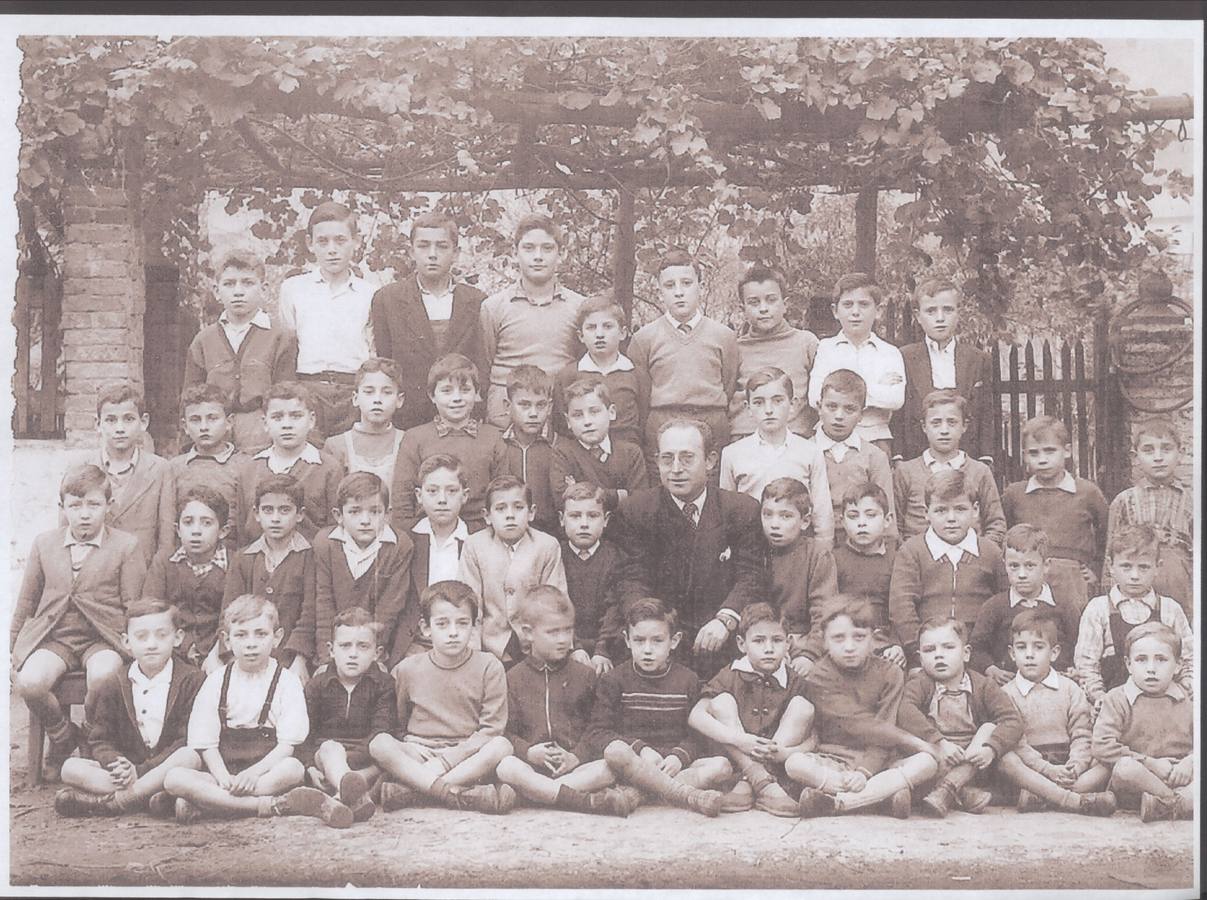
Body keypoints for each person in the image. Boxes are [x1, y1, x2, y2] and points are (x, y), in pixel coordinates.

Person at [13, 464, 145, 782]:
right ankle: (63, 736)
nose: (84, 514)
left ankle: (91, 737)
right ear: (63, 508)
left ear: (108, 506)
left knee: (103, 675)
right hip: (55, 637)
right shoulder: (44, 544)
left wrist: (133, 642)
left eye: (93, 504)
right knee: (29, 681)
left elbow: (133, 605)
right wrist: (12, 647)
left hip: (103, 638)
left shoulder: (126, 546)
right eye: (75, 505)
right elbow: (27, 602)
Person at [163, 595, 335, 825]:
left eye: (261, 634)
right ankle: (266, 805)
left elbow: (286, 746)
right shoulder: (215, 681)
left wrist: (253, 774)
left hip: (266, 771)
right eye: (241, 635)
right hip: (222, 772)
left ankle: (211, 803)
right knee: (174, 778)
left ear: (277, 637)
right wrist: (223, 778)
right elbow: (205, 742)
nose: (251, 643)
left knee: (293, 769)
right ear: (226, 639)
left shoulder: (287, 681)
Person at [612, 418, 765, 677]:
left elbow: (751, 576)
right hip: (660, 644)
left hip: (723, 638)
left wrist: (725, 620)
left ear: (710, 460)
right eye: (667, 458)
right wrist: (652, 628)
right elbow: (630, 579)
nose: (675, 469)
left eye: (687, 458)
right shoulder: (637, 511)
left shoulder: (741, 510)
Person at [368, 581, 516, 815]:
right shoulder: (407, 669)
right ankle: (453, 793)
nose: (453, 632)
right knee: (379, 744)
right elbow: (397, 722)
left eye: (462, 623)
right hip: (419, 752)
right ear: (426, 628)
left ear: (475, 626)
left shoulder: (489, 666)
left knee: (501, 746)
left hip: (466, 754)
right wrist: (413, 754)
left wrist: (447, 761)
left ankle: (412, 791)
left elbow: (491, 730)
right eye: (442, 624)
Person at [494, 586, 640, 817]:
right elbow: (505, 731)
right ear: (528, 632)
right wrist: (529, 752)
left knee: (608, 769)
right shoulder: (513, 678)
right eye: (553, 632)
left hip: (575, 768)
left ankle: (538, 796)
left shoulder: (585, 675)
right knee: (506, 767)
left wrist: (576, 756)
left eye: (568, 630)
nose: (563, 640)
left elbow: (597, 728)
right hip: (533, 766)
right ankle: (582, 801)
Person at [787, 599, 939, 819]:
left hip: (881, 760)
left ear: (873, 638)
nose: (849, 646)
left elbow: (886, 723)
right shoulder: (819, 675)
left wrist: (864, 771)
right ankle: (881, 796)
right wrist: (914, 741)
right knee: (795, 764)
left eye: (859, 637)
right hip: (833, 759)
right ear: (824, 641)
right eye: (838, 638)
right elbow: (858, 723)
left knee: (926, 763)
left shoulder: (890, 672)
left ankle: (839, 803)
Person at [582, 598, 733, 817]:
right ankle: (688, 796)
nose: (647, 650)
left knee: (721, 765)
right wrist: (640, 748)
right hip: (633, 762)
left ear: (674, 641)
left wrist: (678, 757)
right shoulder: (614, 680)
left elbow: (698, 736)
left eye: (657, 641)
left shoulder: (688, 680)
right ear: (627, 640)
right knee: (615, 752)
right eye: (639, 641)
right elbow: (597, 733)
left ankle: (637, 795)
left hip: (672, 764)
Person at [54, 599, 205, 817]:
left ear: (178, 638)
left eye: (161, 635)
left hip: (169, 766)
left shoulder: (193, 679)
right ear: (126, 641)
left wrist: (142, 771)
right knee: (70, 768)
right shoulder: (115, 682)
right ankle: (155, 796)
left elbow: (188, 738)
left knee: (189, 756)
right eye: (141, 637)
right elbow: (100, 739)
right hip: (130, 771)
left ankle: (118, 802)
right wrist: (117, 764)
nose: (151, 644)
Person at [688, 602, 812, 816]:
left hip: (777, 764)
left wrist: (788, 753)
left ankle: (756, 782)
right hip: (736, 761)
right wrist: (738, 739)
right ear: (741, 644)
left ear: (788, 643)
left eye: (777, 640)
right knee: (722, 700)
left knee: (803, 706)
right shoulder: (730, 675)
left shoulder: (796, 682)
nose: (769, 649)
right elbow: (696, 716)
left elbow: (815, 736)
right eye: (758, 641)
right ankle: (755, 776)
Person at [369, 211, 487, 430]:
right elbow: (386, 363)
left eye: (442, 246)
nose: (432, 254)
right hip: (409, 417)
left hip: (461, 416)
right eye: (423, 246)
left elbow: (482, 362)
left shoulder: (476, 301)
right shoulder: (388, 299)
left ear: (456, 253)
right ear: (412, 251)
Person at [896, 617, 1024, 818]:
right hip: (938, 755)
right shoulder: (919, 683)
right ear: (920, 658)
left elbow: (1012, 720)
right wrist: (939, 742)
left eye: (948, 648)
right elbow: (905, 712)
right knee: (921, 762)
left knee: (989, 728)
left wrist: (991, 748)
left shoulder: (983, 685)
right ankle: (959, 793)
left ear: (966, 654)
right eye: (930, 650)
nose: (939, 655)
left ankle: (947, 790)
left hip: (971, 760)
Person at [995, 609, 1116, 816]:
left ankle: (1044, 798)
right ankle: (1072, 799)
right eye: (1022, 648)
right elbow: (1017, 742)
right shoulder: (1006, 694)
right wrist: (1046, 769)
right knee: (1006, 760)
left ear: (1054, 653)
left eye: (1038, 647)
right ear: (1012, 654)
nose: (1030, 654)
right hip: (1031, 767)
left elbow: (1082, 733)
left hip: (1068, 764)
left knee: (1105, 763)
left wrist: (1076, 765)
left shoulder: (1070, 689)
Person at [629, 250, 739, 463]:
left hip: (711, 421)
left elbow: (729, 382)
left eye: (687, 283)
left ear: (701, 286)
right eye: (670, 286)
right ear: (659, 290)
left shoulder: (724, 336)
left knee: (711, 485)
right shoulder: (644, 338)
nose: (679, 292)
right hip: (663, 422)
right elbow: (642, 394)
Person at [182, 248, 297, 453]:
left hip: (261, 434)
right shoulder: (203, 341)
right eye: (229, 284)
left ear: (263, 288)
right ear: (217, 291)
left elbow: (285, 394)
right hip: (214, 434)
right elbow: (190, 397)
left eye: (247, 283)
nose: (238, 291)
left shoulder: (280, 337)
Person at [889, 469, 1008, 666]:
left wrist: (988, 658)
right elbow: (901, 607)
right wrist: (918, 652)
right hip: (926, 654)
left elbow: (1004, 604)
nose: (951, 518)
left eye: (960, 509)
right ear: (926, 513)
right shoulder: (912, 551)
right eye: (941, 510)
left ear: (976, 510)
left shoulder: (990, 552)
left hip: (979, 655)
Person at [277, 200, 374, 440]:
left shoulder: (370, 293)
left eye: (340, 240)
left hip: (354, 390)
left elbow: (374, 349)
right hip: (308, 390)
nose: (332, 249)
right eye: (323, 241)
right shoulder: (293, 289)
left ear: (356, 242)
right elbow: (286, 348)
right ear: (310, 244)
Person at [480, 214, 586, 428]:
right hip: (505, 416)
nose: (538, 256)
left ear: (561, 253)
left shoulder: (579, 307)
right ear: (514, 253)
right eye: (528, 248)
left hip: (558, 413)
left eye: (547, 248)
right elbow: (486, 360)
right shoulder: (494, 307)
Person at [1073, 524, 1194, 709]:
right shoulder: (1098, 609)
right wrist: (1099, 696)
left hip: (1164, 705)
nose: (1135, 576)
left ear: (1157, 568)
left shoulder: (1170, 609)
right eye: (1126, 566)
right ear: (1111, 567)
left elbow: (1188, 658)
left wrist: (1187, 685)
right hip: (1113, 706)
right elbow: (1086, 663)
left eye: (1144, 567)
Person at [390, 353, 506, 534]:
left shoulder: (492, 438)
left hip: (480, 534)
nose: (457, 398)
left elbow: (502, 496)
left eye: (465, 389)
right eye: (447, 390)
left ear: (477, 393)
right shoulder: (415, 438)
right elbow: (402, 502)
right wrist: (412, 539)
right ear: (432, 395)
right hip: (427, 533)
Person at [300, 607, 396, 825]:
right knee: (331, 748)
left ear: (377, 653)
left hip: (368, 763)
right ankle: (351, 792)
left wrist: (356, 767)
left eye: (362, 646)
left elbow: (381, 730)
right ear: (331, 650)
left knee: (383, 759)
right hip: (328, 758)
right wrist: (310, 768)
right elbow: (305, 734)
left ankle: (338, 802)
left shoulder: (383, 685)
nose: (353, 653)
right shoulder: (318, 685)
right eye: (345, 646)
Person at [719, 366, 833, 549]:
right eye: (759, 402)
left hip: (797, 549)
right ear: (748, 408)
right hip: (750, 549)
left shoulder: (810, 452)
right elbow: (725, 512)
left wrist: (823, 554)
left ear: (793, 404)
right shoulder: (733, 454)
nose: (769, 410)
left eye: (777, 400)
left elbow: (822, 511)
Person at [1001, 415, 1107, 612]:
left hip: (1073, 581)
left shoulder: (1087, 492)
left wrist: (1096, 568)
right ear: (1024, 455)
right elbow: (1003, 535)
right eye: (1034, 453)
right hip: (1028, 576)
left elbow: (1107, 533)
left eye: (1050, 451)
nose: (1042, 459)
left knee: (1073, 629)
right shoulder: (1014, 494)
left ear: (1066, 451)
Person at [457, 475, 567, 663]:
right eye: (500, 508)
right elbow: (470, 605)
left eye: (518, 507)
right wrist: (472, 656)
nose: (510, 515)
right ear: (487, 516)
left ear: (531, 512)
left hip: (534, 648)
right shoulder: (474, 546)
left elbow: (554, 604)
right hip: (490, 648)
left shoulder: (547, 546)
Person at [1091, 622, 1193, 822]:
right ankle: (1179, 805)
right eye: (1141, 660)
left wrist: (1190, 762)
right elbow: (1102, 746)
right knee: (1125, 768)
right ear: (1129, 664)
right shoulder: (1117, 698)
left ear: (1178, 666)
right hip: (1139, 779)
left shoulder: (1186, 699)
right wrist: (1151, 764)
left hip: (1179, 774)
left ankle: (1166, 805)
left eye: (1161, 659)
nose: (1151, 669)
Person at [313, 472, 414, 671]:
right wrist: (328, 659)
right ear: (338, 516)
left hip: (377, 651)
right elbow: (323, 604)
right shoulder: (325, 543)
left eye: (375, 511)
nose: (365, 520)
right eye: (355, 511)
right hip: (334, 650)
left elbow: (390, 608)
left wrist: (371, 655)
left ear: (388, 515)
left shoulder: (399, 546)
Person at [220, 475, 315, 682]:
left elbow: (309, 614)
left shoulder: (310, 556)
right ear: (256, 513)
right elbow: (229, 612)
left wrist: (300, 658)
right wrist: (228, 656)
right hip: (248, 653)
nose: (275, 518)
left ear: (300, 515)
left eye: (284, 510)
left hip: (290, 658)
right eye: (268, 510)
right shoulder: (244, 559)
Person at [75, 383, 175, 567]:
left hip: (142, 572)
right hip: (94, 572)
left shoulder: (160, 469)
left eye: (128, 419)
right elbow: (67, 530)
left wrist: (156, 578)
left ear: (143, 422)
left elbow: (166, 539)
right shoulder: (81, 467)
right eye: (111, 420)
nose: (119, 428)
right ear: (98, 424)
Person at [895, 278, 994, 463]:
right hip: (917, 457)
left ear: (958, 312)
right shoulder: (904, 357)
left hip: (966, 458)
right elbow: (899, 413)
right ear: (918, 315)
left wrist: (986, 457)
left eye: (947, 310)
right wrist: (898, 456)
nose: (940, 318)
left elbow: (986, 412)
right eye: (931, 311)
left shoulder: (977, 359)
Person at [1102, 418, 1192, 618]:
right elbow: (1112, 552)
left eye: (1166, 449)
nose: (1158, 457)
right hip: (1135, 586)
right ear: (1135, 457)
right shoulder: (1124, 501)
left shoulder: (1191, 501)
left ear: (1181, 453)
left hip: (1179, 588)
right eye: (1149, 450)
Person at [969, 524, 1082, 682]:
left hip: (1057, 684)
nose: (1021, 574)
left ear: (1046, 565)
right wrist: (991, 669)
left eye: (1030, 566)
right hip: (1009, 686)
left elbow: (1077, 643)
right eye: (1014, 566)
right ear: (1005, 565)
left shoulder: (1063, 605)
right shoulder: (995, 607)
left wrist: (1073, 668)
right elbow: (977, 648)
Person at [807, 273, 904, 456]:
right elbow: (815, 397)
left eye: (864, 304)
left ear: (879, 311)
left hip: (875, 438)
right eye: (848, 304)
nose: (855, 312)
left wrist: (840, 389)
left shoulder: (890, 353)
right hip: (830, 440)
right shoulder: (826, 348)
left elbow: (895, 399)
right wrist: (875, 386)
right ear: (835, 311)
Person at [893, 390, 1005, 544]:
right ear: (924, 426)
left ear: (964, 426)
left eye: (952, 422)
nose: (944, 430)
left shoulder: (979, 471)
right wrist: (911, 556)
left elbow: (996, 524)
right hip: (921, 562)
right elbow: (895, 526)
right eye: (936, 423)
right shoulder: (906, 472)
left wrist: (978, 556)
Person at [237, 382, 343, 545]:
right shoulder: (250, 469)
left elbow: (335, 530)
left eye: (296, 416)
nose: (287, 425)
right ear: (265, 423)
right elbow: (243, 530)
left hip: (310, 561)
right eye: (278, 417)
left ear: (311, 420)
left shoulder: (328, 468)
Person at [142, 486, 231, 670]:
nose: (196, 531)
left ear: (223, 531)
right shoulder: (165, 563)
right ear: (178, 529)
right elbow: (153, 610)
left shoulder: (235, 564)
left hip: (221, 651)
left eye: (206, 523)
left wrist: (216, 652)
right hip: (173, 650)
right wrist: (183, 646)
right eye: (188, 522)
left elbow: (232, 617)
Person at [728, 263, 819, 440]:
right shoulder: (735, 347)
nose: (763, 308)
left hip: (794, 436)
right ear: (743, 309)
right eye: (754, 302)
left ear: (785, 304)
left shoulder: (806, 342)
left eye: (771, 300)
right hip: (745, 436)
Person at [757, 478, 838, 674]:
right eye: (768, 515)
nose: (774, 524)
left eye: (785, 516)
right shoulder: (755, 552)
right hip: (761, 643)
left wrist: (809, 654)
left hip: (804, 642)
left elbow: (824, 612)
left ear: (805, 521)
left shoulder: (817, 555)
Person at [813, 370, 898, 545]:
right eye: (831, 406)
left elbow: (887, 516)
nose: (839, 416)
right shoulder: (804, 451)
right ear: (819, 407)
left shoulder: (874, 457)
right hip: (814, 543)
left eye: (849, 409)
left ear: (861, 414)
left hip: (862, 544)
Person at [554, 293, 643, 446]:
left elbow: (643, 422)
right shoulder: (568, 376)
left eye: (608, 326)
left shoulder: (636, 374)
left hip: (626, 459)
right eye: (591, 328)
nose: (599, 334)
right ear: (581, 336)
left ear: (623, 333)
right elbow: (561, 426)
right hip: (581, 460)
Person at [170, 383, 251, 551]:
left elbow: (248, 522)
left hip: (231, 552)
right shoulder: (175, 467)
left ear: (229, 422)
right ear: (185, 427)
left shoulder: (245, 466)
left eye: (212, 418)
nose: (204, 427)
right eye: (195, 420)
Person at [550, 375, 649, 514]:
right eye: (578, 415)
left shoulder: (631, 453)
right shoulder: (563, 454)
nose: (587, 421)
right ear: (568, 421)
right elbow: (562, 499)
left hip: (626, 531)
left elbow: (640, 501)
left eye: (594, 412)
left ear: (611, 412)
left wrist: (580, 490)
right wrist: (619, 495)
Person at [406, 454, 471, 662]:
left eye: (451, 491)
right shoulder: (406, 541)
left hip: (465, 643)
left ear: (465, 495)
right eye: (432, 491)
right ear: (419, 495)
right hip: (415, 645)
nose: (442, 499)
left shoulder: (476, 541)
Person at [559, 482, 627, 674]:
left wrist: (602, 649)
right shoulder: (554, 555)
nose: (584, 523)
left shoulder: (616, 557)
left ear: (605, 520)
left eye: (592, 515)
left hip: (607, 648)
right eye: (575, 516)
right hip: (565, 645)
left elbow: (616, 607)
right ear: (561, 519)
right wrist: (574, 646)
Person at [832, 483, 901, 664]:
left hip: (887, 642)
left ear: (887, 520)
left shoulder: (899, 559)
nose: (862, 522)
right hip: (847, 641)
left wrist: (897, 644)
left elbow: (903, 608)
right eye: (853, 516)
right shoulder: (833, 560)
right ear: (842, 521)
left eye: (871, 515)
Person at [321, 357, 406, 493]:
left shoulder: (407, 442)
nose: (377, 400)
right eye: (369, 392)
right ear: (355, 398)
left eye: (387, 392)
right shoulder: (336, 445)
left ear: (399, 400)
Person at [499, 364, 561, 535]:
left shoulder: (559, 446)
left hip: (551, 534)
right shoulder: (497, 446)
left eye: (540, 405)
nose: (533, 413)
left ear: (549, 407)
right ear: (507, 406)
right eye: (524, 405)